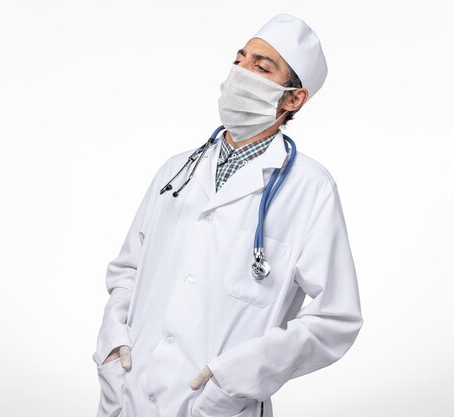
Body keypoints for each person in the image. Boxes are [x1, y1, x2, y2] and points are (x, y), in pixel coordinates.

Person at [92, 13, 363, 417]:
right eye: (240, 58)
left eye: (261, 66)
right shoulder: (176, 172)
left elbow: (335, 318)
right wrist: (114, 345)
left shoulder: (310, 188)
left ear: (293, 99)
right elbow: (128, 271)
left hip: (217, 406)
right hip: (130, 394)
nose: (241, 71)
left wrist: (234, 379)